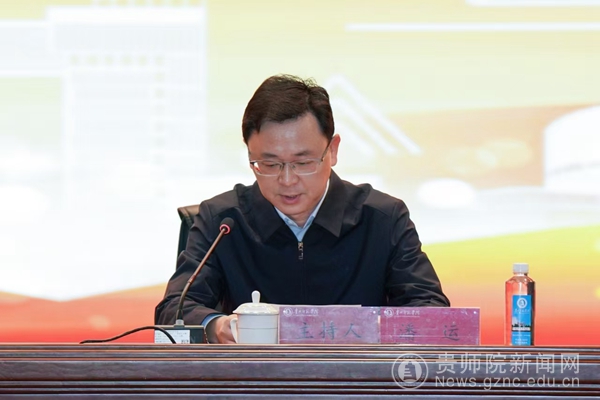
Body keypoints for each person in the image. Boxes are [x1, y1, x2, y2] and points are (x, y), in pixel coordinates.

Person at [155, 74, 450, 343]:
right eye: (269, 164)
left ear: (332, 150)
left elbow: (431, 310)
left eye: (303, 162)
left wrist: (375, 329)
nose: (287, 180)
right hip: (253, 379)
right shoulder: (223, 221)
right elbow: (173, 312)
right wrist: (217, 326)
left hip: (356, 378)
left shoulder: (383, 218)